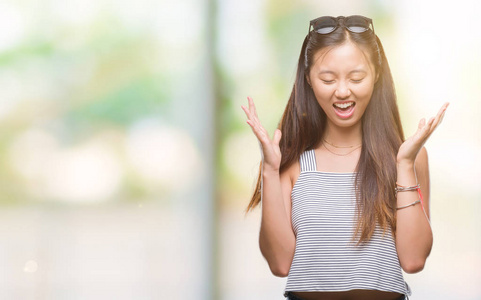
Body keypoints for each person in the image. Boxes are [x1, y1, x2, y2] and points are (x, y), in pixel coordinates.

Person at [241, 15, 448, 300]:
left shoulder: (406, 158)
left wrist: (404, 165)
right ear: (309, 79)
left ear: (376, 76)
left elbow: (413, 260)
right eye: (328, 78)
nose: (342, 91)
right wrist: (269, 169)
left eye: (356, 77)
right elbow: (280, 264)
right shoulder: (291, 162)